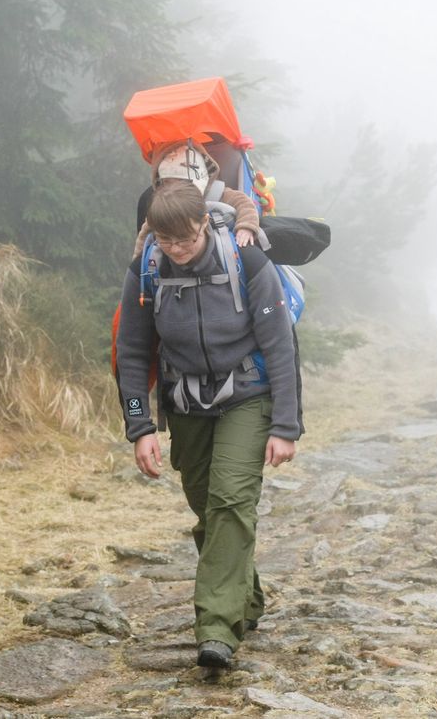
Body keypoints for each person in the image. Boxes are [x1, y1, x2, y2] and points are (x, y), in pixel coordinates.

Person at [115, 180, 299, 670]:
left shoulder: (246, 261)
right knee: (207, 506)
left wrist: (286, 424)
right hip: (186, 402)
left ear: (203, 224)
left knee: (231, 500)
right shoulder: (147, 268)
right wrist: (140, 427)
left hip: (247, 397)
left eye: (186, 240)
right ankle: (245, 596)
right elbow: (132, 350)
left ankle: (216, 628)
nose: (176, 251)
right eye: (165, 241)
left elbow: (280, 344)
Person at [133, 138, 260, 256]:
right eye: (168, 183)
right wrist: (139, 264)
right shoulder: (164, 206)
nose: (177, 190)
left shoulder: (218, 194)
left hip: (220, 254)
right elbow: (145, 234)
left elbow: (244, 203)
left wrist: (246, 226)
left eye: (183, 182)